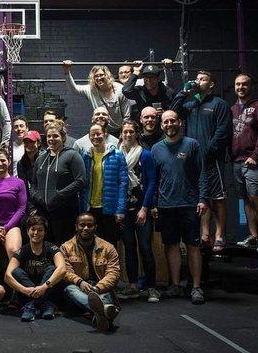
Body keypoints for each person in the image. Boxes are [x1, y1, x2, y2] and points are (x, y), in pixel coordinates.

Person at [171, 71, 232, 252]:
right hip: (194, 161)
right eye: (197, 79)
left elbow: (223, 131)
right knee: (201, 198)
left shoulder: (219, 104)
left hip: (212, 160)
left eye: (203, 79)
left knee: (218, 198)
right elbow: (173, 112)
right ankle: (205, 234)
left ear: (211, 84)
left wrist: (208, 152)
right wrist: (184, 91)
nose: (198, 81)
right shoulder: (191, 104)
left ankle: (220, 235)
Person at [151, 110, 208, 304]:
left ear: (180, 123)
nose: (169, 124)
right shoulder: (156, 149)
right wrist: (154, 204)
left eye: (172, 121)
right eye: (165, 122)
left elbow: (202, 174)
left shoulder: (192, 145)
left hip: (189, 204)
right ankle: (175, 285)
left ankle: (196, 287)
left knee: (193, 246)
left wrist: (202, 199)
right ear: (161, 125)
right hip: (166, 206)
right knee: (171, 245)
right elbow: (154, 179)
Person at [231, 73, 258, 252]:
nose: (240, 87)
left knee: (255, 197)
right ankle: (253, 236)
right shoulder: (232, 109)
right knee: (245, 200)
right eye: (237, 84)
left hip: (254, 161)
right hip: (237, 161)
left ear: (251, 87)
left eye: (244, 84)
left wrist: (256, 156)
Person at [116, 121, 158, 302]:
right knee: (129, 248)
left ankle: (151, 287)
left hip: (141, 209)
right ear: (121, 134)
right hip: (123, 210)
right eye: (125, 132)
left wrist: (145, 208)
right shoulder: (116, 155)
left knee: (146, 247)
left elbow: (151, 183)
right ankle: (132, 286)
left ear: (136, 133)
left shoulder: (145, 155)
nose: (128, 135)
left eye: (131, 132)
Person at [61, 213, 120, 332]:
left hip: (100, 289)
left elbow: (113, 273)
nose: (86, 228)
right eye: (82, 225)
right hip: (78, 288)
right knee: (70, 289)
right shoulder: (65, 248)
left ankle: (98, 314)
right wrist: (80, 282)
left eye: (90, 225)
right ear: (76, 226)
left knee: (105, 295)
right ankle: (104, 310)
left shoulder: (108, 247)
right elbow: (65, 271)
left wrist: (97, 288)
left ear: (95, 227)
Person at [31, 119, 86, 246]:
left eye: (55, 136)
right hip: (43, 212)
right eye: (49, 136)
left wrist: (59, 195)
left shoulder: (72, 155)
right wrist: (36, 197)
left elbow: (81, 180)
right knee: (47, 246)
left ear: (63, 137)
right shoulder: (40, 159)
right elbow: (33, 183)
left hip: (65, 211)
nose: (51, 139)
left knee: (65, 246)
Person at [5, 214, 65, 321]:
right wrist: (24, 290)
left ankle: (31, 306)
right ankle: (44, 305)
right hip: (27, 291)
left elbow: (62, 269)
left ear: (45, 232)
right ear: (28, 231)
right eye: (33, 229)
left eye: (40, 230)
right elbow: (7, 276)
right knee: (16, 271)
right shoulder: (22, 251)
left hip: (47, 289)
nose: (36, 233)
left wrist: (44, 287)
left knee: (52, 269)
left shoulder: (52, 248)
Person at [79, 123, 128, 247]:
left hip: (109, 209)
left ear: (105, 134)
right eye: (92, 134)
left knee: (110, 246)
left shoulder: (117, 155)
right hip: (90, 209)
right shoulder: (85, 156)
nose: (96, 137)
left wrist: (120, 209)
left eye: (98, 133)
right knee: (91, 246)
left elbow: (123, 183)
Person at [62, 61, 130, 137]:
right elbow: (73, 89)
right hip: (101, 130)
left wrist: (123, 133)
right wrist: (66, 72)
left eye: (101, 75)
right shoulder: (91, 90)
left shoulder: (119, 89)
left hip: (119, 130)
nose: (99, 78)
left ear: (107, 75)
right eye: (96, 76)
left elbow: (126, 116)